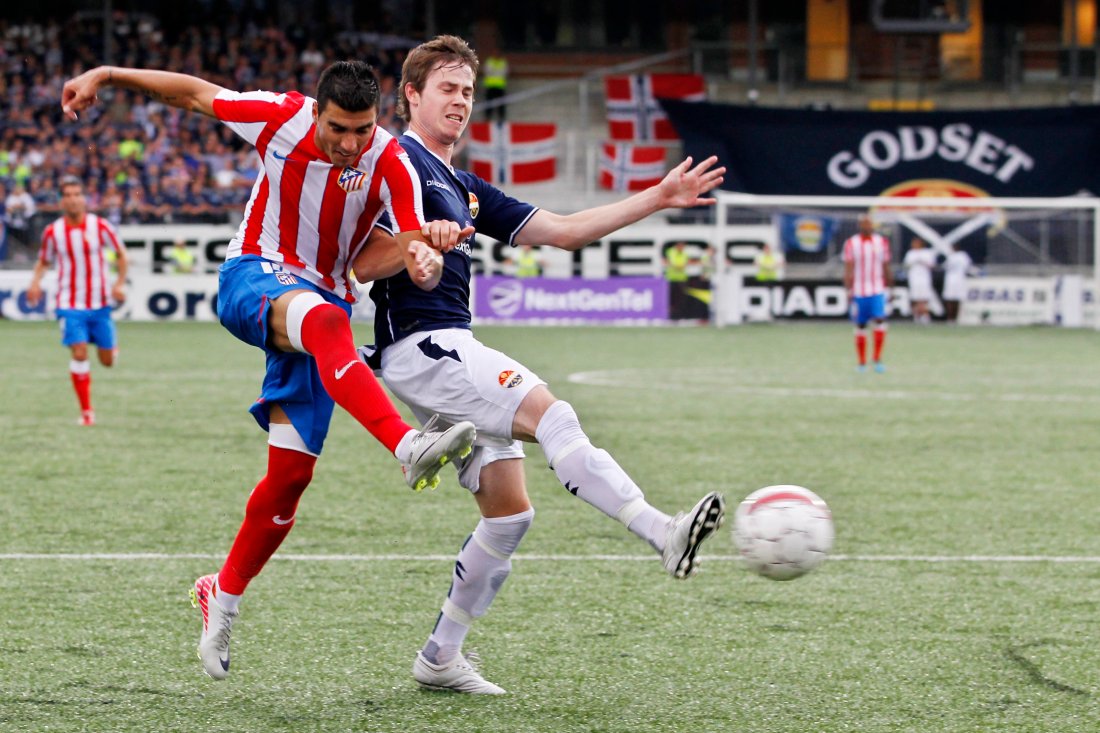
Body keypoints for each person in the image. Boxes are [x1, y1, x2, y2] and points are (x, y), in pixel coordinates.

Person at [60, 59, 478, 681]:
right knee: (333, 324)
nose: (349, 144)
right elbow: (196, 96)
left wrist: (425, 261)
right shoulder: (278, 116)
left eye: (361, 130)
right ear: (316, 112)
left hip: (321, 307)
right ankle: (408, 445)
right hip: (254, 275)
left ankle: (220, 595)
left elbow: (411, 250)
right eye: (338, 128)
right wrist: (110, 74)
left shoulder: (389, 159)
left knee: (289, 480)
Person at [357, 35, 727, 695]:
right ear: (410, 95)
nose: (460, 101)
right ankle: (661, 530)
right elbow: (361, 256)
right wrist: (415, 241)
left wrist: (658, 197)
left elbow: (561, 229)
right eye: (446, 87)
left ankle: (440, 655)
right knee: (554, 413)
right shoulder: (395, 159)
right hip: (426, 342)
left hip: (438, 352)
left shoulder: (462, 186)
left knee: (508, 514)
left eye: (468, 91)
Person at [26, 176, 128, 426]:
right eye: (67, 195)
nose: (72, 199)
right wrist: (35, 282)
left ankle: (111, 350)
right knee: (79, 352)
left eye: (76, 194)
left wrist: (119, 283)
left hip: (100, 302)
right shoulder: (53, 232)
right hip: (69, 303)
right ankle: (86, 412)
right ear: (62, 201)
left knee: (106, 362)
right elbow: (44, 260)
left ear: (84, 198)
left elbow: (121, 255)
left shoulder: (101, 226)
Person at [843, 214, 892, 373]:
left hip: (877, 288)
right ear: (860, 225)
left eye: (869, 223)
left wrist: (890, 287)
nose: (867, 226)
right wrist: (848, 289)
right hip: (859, 290)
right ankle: (861, 362)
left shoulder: (881, 242)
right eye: (864, 223)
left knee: (879, 320)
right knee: (861, 324)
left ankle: (877, 359)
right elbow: (848, 267)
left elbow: (886, 265)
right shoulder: (851, 243)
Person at [902, 237, 936, 324]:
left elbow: (932, 265)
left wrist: (922, 261)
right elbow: (906, 265)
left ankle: (925, 315)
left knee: (924, 297)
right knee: (915, 297)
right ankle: (916, 315)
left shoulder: (927, 253)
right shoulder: (910, 253)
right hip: (914, 278)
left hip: (924, 278)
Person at [942, 242, 974, 323]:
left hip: (958, 280)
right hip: (951, 281)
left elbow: (968, 267)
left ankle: (954, 318)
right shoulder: (951, 256)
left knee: (957, 300)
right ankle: (950, 318)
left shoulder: (962, 255)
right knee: (950, 299)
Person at [482, 47, 508, 123]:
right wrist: (497, 73)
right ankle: (487, 117)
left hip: (500, 86)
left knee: (501, 104)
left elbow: (504, 73)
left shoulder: (503, 62)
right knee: (489, 103)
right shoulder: (489, 62)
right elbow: (487, 72)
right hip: (490, 86)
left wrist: (494, 72)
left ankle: (501, 117)